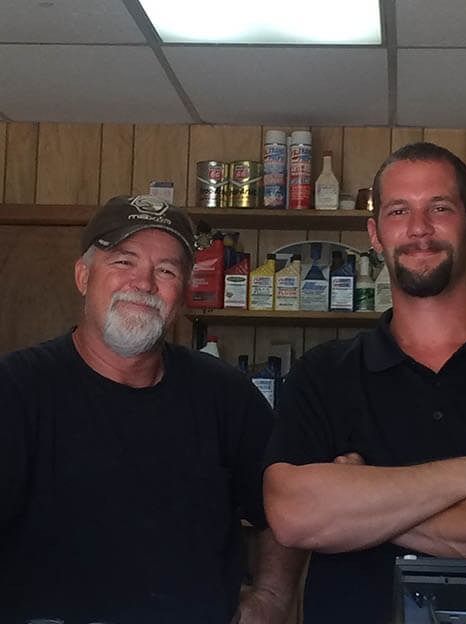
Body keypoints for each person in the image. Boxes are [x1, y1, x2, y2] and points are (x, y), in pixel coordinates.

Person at [263, 143, 466, 623]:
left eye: (439, 208)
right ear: (375, 235)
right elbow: (294, 515)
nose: (419, 229)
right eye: (399, 211)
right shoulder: (323, 374)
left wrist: (359, 504)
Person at [0, 195, 305, 624]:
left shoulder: (224, 394)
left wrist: (272, 597)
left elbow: (287, 507)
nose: (143, 284)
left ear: (181, 293)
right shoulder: (16, 390)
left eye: (165, 270)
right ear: (83, 276)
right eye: (124, 262)